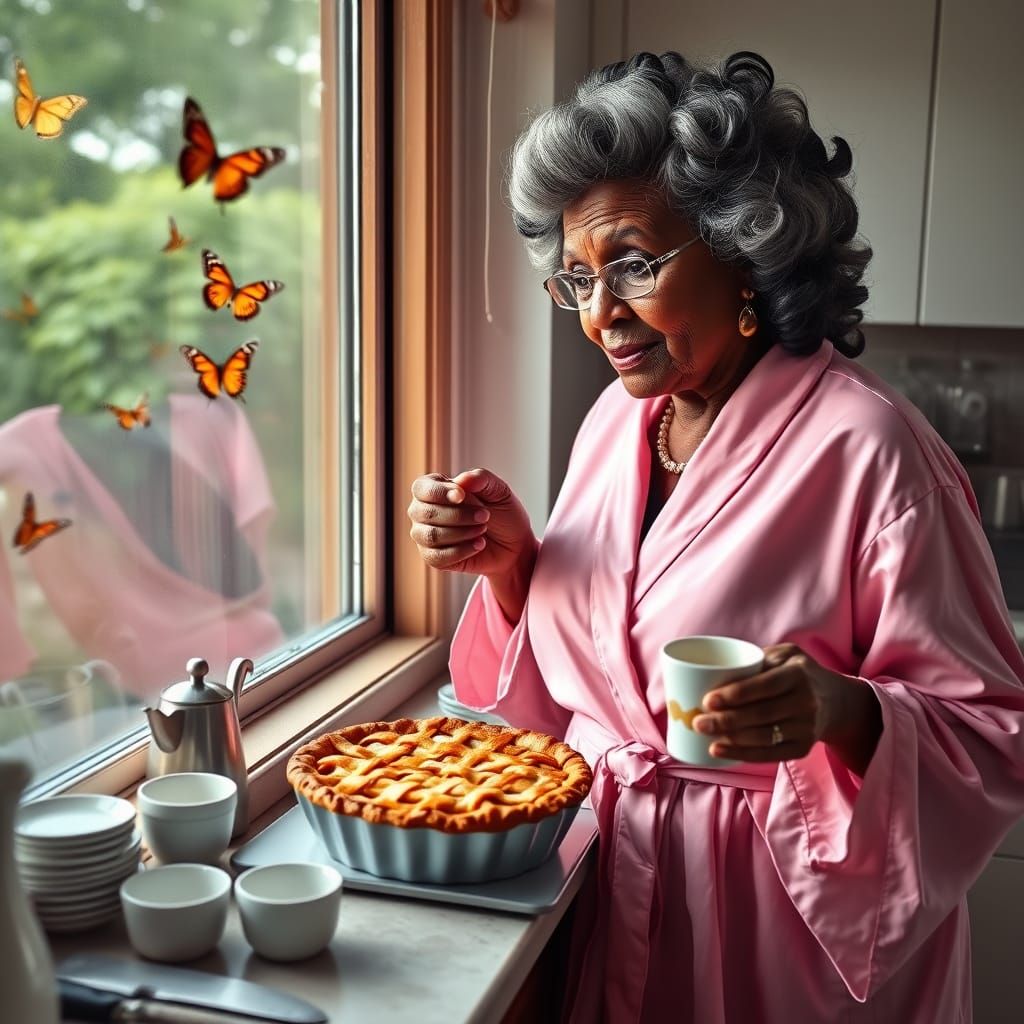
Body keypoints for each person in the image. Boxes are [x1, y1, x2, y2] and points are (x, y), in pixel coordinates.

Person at [407, 50, 1024, 1023]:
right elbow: (597, 675)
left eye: (634, 264)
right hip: (616, 883)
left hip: (788, 933)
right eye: (576, 279)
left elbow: (992, 730)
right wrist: (516, 568)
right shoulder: (618, 422)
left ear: (744, 249)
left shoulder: (869, 448)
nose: (602, 312)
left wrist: (841, 712)